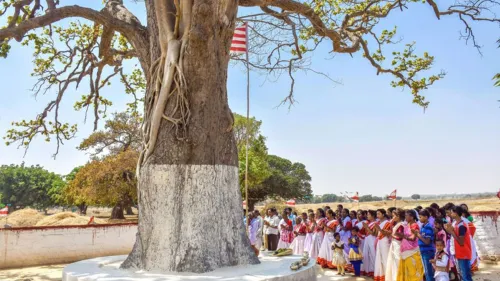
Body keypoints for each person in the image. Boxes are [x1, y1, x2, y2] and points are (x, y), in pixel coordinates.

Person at [445, 206, 473, 281]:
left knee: (465, 276)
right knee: (464, 275)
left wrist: (451, 232)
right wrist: (448, 230)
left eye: (452, 212)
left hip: (463, 253)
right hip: (460, 253)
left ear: (456, 213)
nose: (450, 214)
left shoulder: (461, 226)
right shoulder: (456, 224)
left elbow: (461, 242)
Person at [397, 210, 424, 281]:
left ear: (412, 217)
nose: (405, 217)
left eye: (406, 215)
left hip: (412, 251)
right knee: (407, 271)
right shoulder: (407, 225)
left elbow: (413, 238)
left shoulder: (415, 226)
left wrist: (403, 236)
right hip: (405, 251)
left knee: (412, 271)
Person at [414, 209, 436, 281]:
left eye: (420, 217)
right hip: (423, 252)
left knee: (429, 272)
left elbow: (427, 241)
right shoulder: (423, 226)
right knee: (426, 272)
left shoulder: (428, 227)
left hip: (428, 252)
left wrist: (418, 235)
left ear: (426, 217)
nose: (419, 219)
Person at [386, 209, 405, 281]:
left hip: (398, 245)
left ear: (398, 216)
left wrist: (391, 235)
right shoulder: (397, 224)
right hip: (394, 244)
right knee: (393, 262)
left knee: (397, 261)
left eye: (393, 216)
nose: (392, 217)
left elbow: (400, 237)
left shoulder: (401, 225)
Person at [373, 209, 392, 281]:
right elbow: (375, 234)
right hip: (379, 241)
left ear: (383, 214)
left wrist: (379, 229)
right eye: (377, 214)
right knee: (379, 258)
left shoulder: (387, 222)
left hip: (385, 241)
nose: (377, 215)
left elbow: (386, 234)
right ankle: (381, 275)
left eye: (379, 214)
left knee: (385, 258)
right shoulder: (378, 222)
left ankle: (387, 276)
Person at [362, 210, 378, 277]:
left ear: (373, 216)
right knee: (367, 254)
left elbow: (374, 233)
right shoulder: (369, 223)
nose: (367, 216)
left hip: (372, 239)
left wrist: (366, 227)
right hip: (367, 239)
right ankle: (369, 271)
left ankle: (375, 271)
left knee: (373, 254)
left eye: (368, 214)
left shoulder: (376, 223)